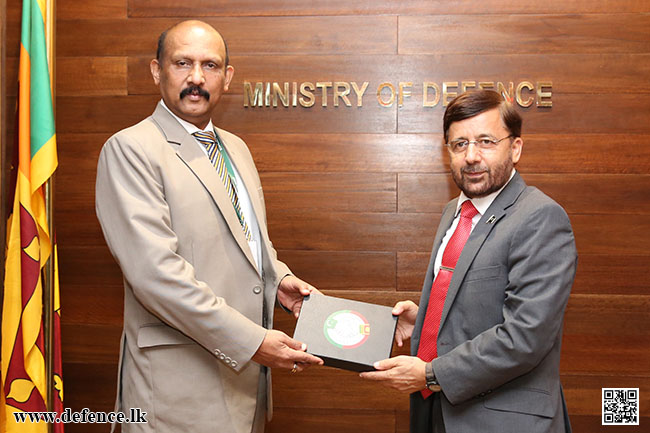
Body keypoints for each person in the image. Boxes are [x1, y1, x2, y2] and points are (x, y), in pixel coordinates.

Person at [95, 20, 322, 433]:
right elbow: (156, 276)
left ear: (227, 77)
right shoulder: (131, 149)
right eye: (183, 63)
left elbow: (250, 243)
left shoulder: (235, 148)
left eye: (210, 66)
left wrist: (278, 282)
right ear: (156, 70)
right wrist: (253, 342)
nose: (196, 78)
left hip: (245, 390)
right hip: (176, 396)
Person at [360, 90, 577, 433]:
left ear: (515, 148)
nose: (471, 156)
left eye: (486, 141)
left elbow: (525, 336)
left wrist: (430, 374)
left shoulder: (540, 217)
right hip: (438, 411)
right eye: (459, 144)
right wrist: (429, 321)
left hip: (503, 421)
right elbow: (476, 301)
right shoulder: (455, 211)